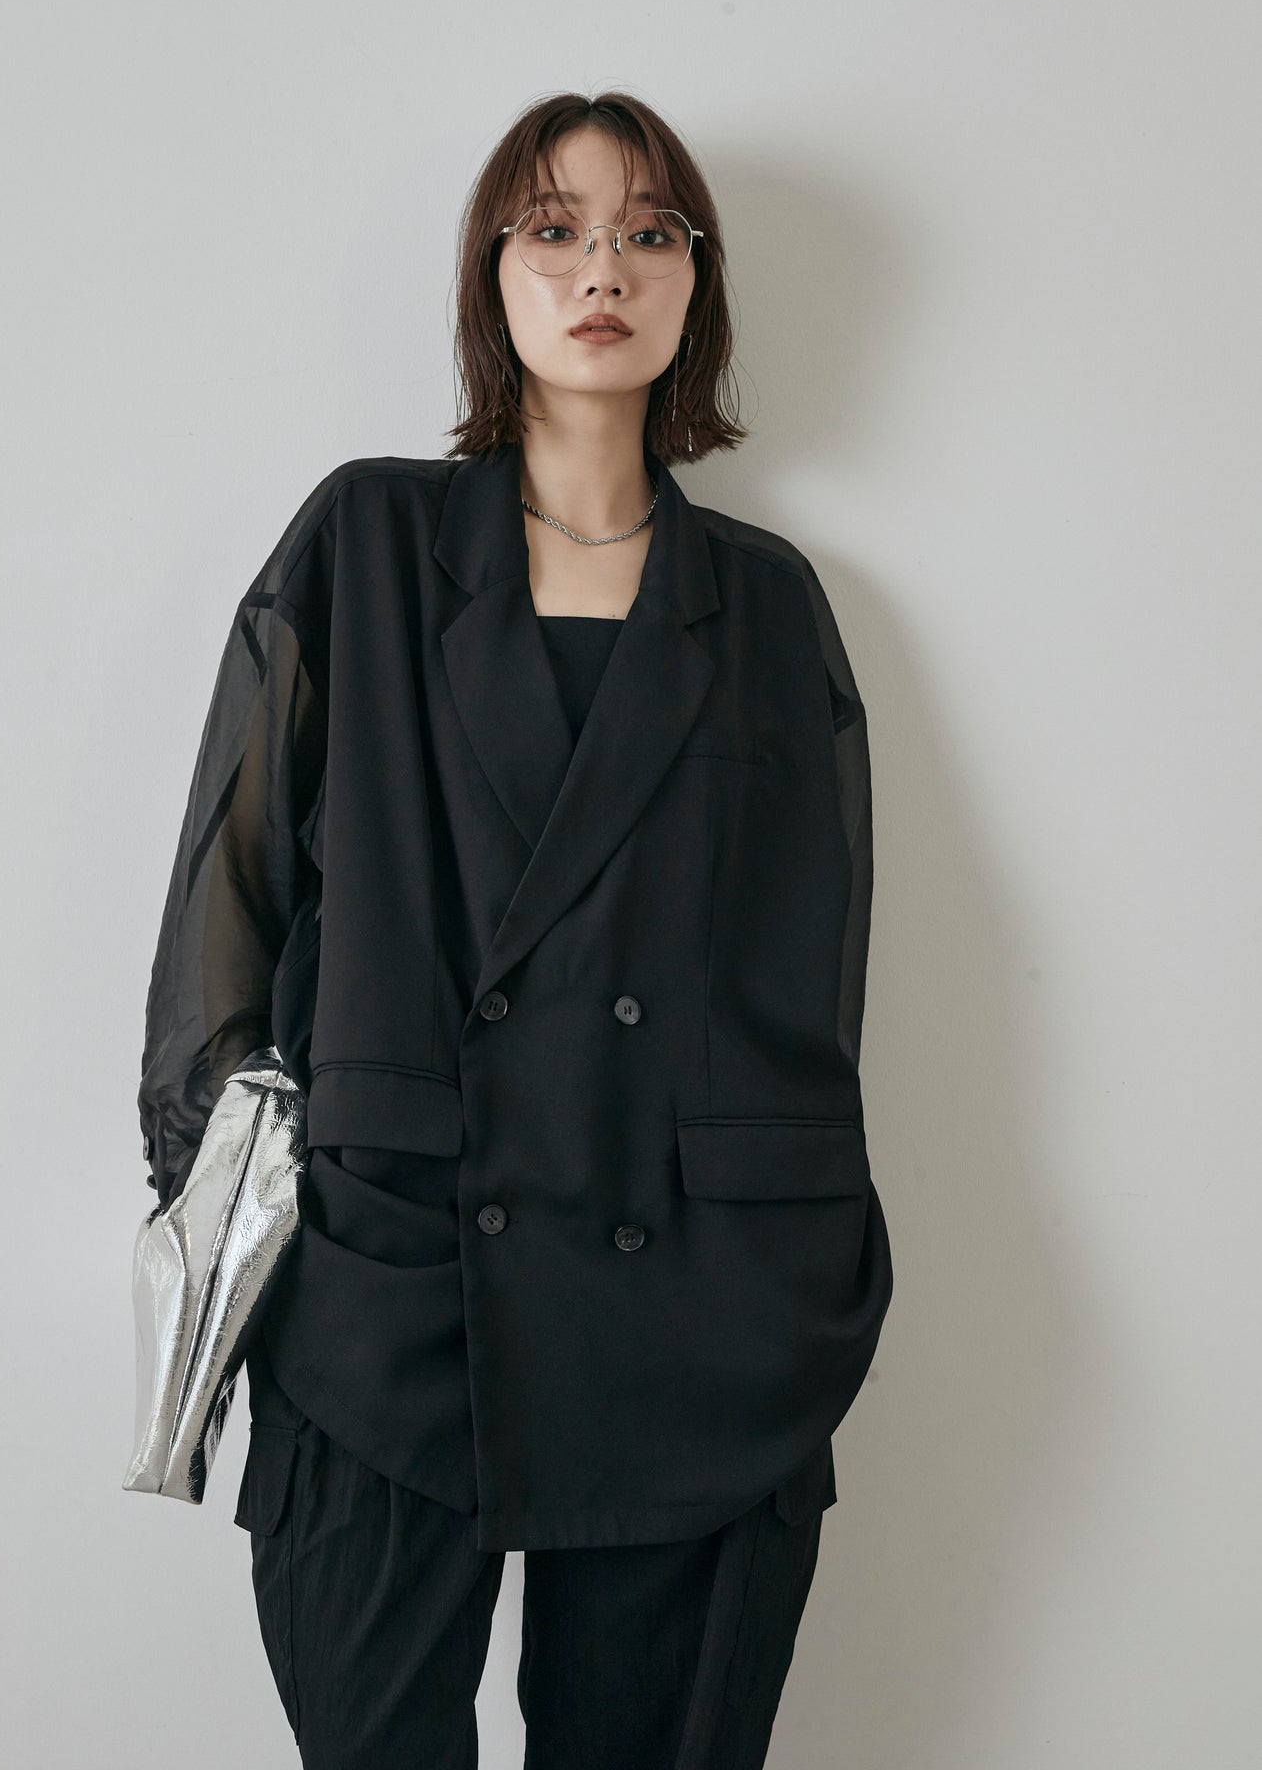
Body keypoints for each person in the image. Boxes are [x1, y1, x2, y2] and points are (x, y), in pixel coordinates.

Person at [137, 89, 893, 1769]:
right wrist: (242, 1206)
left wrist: (797, 1247)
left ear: (695, 282)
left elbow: (807, 981)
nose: (600, 268)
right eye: (552, 229)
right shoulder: (368, 540)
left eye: (647, 232)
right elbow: (227, 907)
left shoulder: (765, 601)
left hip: (692, 1293)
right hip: (390, 1280)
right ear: (491, 276)